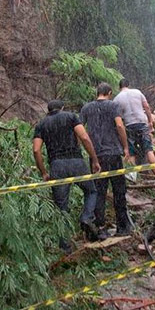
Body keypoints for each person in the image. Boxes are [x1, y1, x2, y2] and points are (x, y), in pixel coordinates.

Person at [32, 100, 103, 245]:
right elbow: (84, 137)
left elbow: (36, 150)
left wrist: (43, 172)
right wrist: (94, 159)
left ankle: (65, 246)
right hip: (76, 161)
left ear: (48, 110)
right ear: (62, 108)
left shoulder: (41, 124)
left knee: (61, 207)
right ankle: (86, 217)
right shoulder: (71, 117)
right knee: (91, 191)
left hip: (57, 165)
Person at [80, 83, 133, 237]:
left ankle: (100, 228)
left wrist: (85, 150)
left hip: (96, 156)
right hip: (113, 153)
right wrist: (125, 147)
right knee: (119, 190)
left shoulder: (86, 108)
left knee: (99, 192)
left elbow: (80, 130)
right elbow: (120, 126)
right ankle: (123, 227)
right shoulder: (113, 106)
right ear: (109, 93)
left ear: (97, 93)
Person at [114, 79, 155, 176]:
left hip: (129, 125)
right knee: (149, 149)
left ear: (119, 87)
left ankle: (135, 178)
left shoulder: (117, 99)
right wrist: (150, 121)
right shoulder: (137, 92)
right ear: (128, 85)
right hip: (142, 123)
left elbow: (118, 117)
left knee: (132, 153)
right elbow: (146, 107)